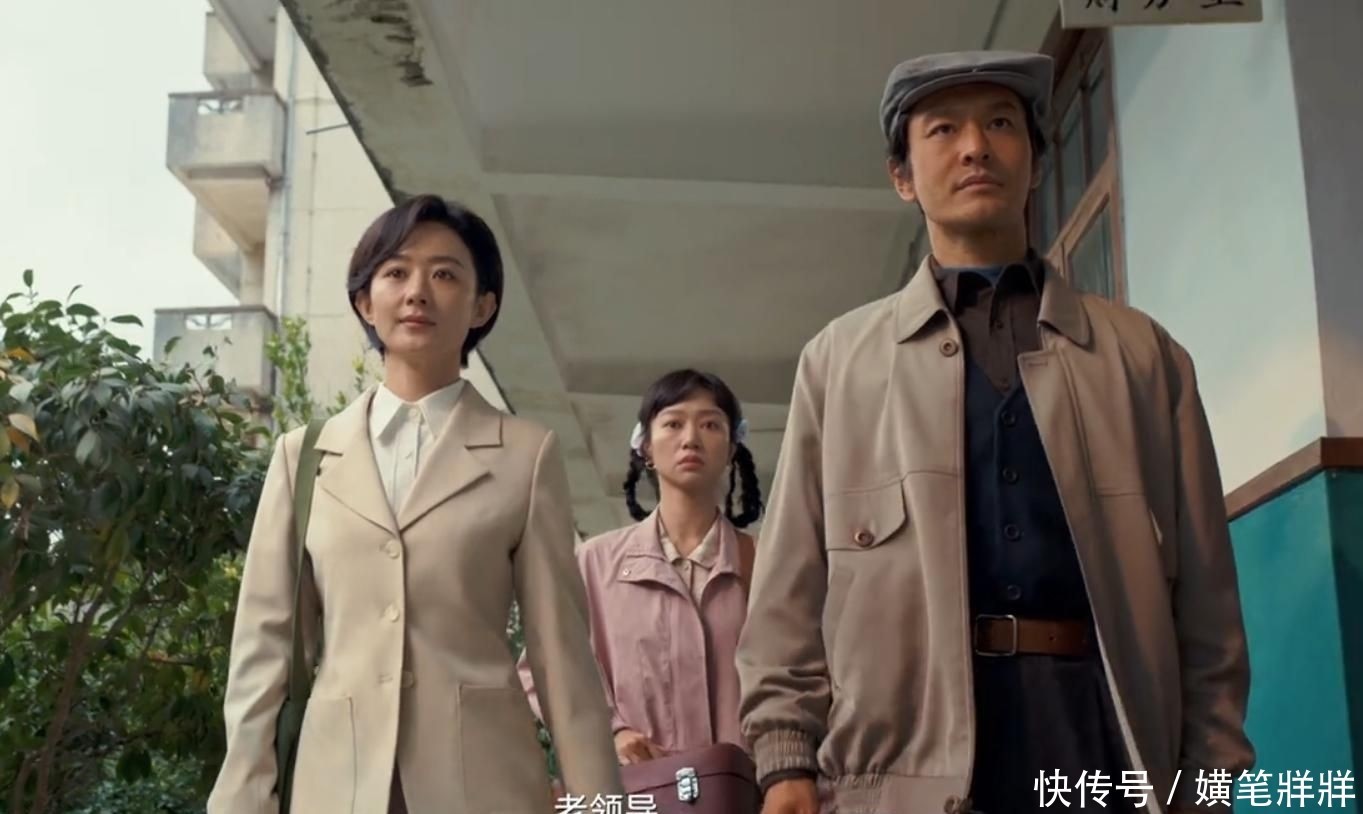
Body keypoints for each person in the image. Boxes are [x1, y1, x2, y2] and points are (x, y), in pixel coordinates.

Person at [737, 51, 1254, 814]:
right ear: (901, 176)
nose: (975, 147)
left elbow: (1207, 602)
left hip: (1102, 748)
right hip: (903, 773)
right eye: (943, 129)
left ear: (1034, 162)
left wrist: (1208, 778)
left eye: (1001, 124)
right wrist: (784, 759)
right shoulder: (838, 363)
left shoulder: (1143, 357)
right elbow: (789, 587)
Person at [208, 195, 621, 813]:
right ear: (364, 302)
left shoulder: (525, 455)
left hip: (484, 787)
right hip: (335, 786)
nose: (417, 292)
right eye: (396, 272)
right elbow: (263, 649)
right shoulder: (304, 457)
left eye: (445, 274)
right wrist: (241, 800)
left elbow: (562, 661)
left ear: (482, 306)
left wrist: (601, 804)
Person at [520, 369, 763, 766]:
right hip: (642, 788)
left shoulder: (766, 564)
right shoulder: (595, 564)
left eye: (710, 424)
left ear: (732, 448)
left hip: (750, 788)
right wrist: (610, 732)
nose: (691, 438)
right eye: (673, 423)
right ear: (646, 446)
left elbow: (804, 675)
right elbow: (544, 664)